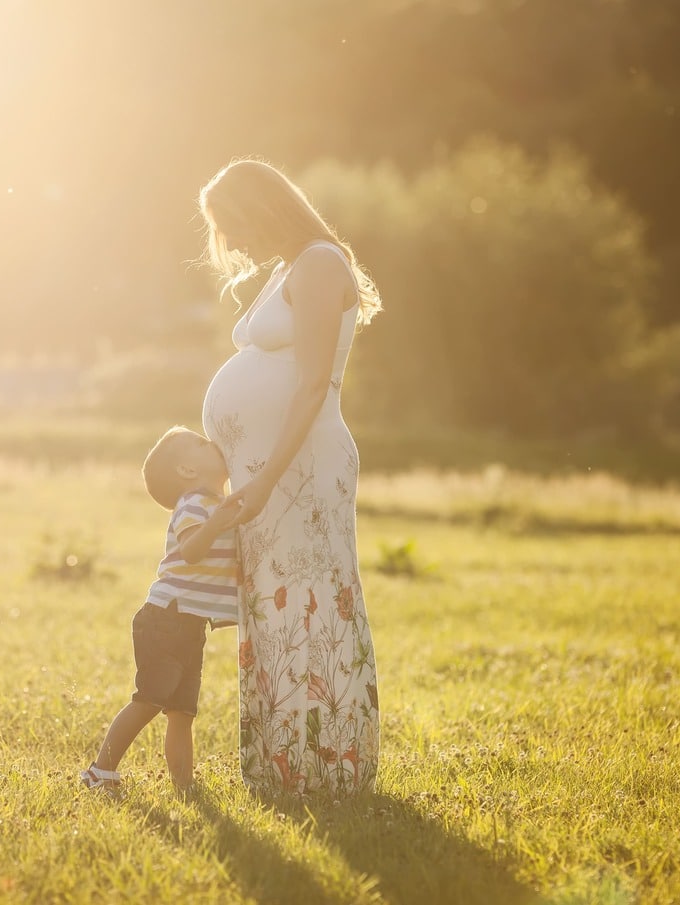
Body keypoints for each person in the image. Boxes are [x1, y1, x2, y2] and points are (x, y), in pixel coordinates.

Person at [198, 158, 382, 797]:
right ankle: (281, 765)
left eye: (233, 224)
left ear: (262, 207)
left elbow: (312, 386)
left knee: (309, 604)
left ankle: (329, 767)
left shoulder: (320, 263)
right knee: (271, 608)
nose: (235, 241)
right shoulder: (286, 269)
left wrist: (269, 479)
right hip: (266, 475)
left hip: (300, 469)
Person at [80, 426, 242, 793]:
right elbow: (192, 551)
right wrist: (219, 520)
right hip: (165, 619)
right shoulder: (194, 505)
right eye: (202, 443)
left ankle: (184, 787)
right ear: (187, 470)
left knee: (183, 712)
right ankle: (99, 770)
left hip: (189, 625)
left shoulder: (217, 505)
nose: (213, 442)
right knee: (150, 699)